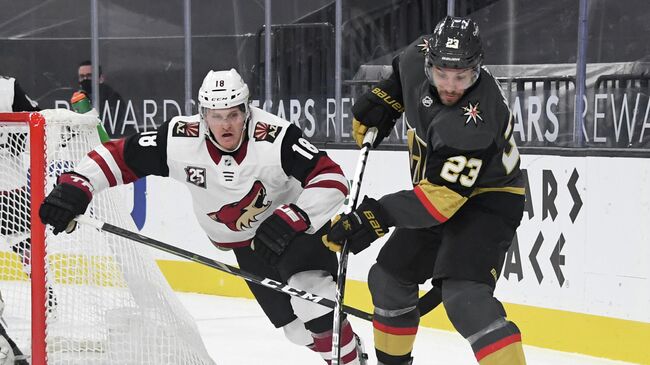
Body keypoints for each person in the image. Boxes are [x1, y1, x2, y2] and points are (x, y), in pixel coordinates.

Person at [39, 68, 367, 364]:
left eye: (234, 114)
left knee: (313, 300)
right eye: (216, 115)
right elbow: (119, 156)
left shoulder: (276, 138)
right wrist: (77, 185)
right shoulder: (180, 139)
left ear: (247, 110)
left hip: (293, 232)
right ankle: (349, 345)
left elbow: (332, 177)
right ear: (203, 114)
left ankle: (349, 361)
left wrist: (295, 215)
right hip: (247, 246)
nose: (226, 124)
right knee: (297, 332)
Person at [325, 16, 527, 365]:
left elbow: (438, 204)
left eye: (462, 76)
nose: (450, 85)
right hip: (437, 190)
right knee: (387, 280)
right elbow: (404, 67)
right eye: (442, 74)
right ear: (429, 61)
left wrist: (374, 216)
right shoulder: (417, 57)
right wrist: (389, 93)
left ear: (477, 70)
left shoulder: (472, 122)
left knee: (466, 300)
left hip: (489, 201)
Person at [0, 74, 40, 364]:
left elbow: (33, 121)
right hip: (9, 184)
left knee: (25, 242)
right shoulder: (8, 84)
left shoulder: (8, 85)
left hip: (9, 184)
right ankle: (44, 291)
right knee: (25, 242)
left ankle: (43, 291)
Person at [76, 60, 124, 135]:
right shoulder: (76, 98)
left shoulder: (112, 98)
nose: (85, 79)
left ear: (101, 78)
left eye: (89, 76)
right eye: (82, 76)